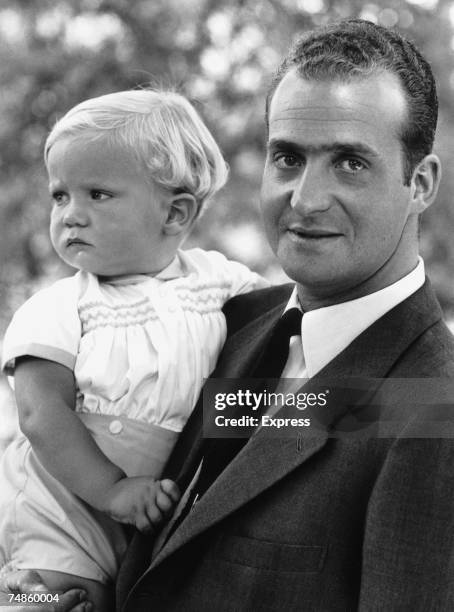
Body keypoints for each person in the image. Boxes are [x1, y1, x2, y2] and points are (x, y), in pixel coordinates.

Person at [3, 17, 454, 611]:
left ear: (419, 183)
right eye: (288, 158)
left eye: (350, 162)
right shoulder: (225, 320)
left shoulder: (431, 408)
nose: (306, 199)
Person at [0, 89, 266, 611]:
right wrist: (113, 490)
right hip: (67, 502)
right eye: (60, 195)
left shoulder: (217, 283)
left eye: (97, 194)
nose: (70, 215)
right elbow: (39, 413)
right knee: (53, 596)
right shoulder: (63, 305)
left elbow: (283, 323)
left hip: (162, 506)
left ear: (175, 213)